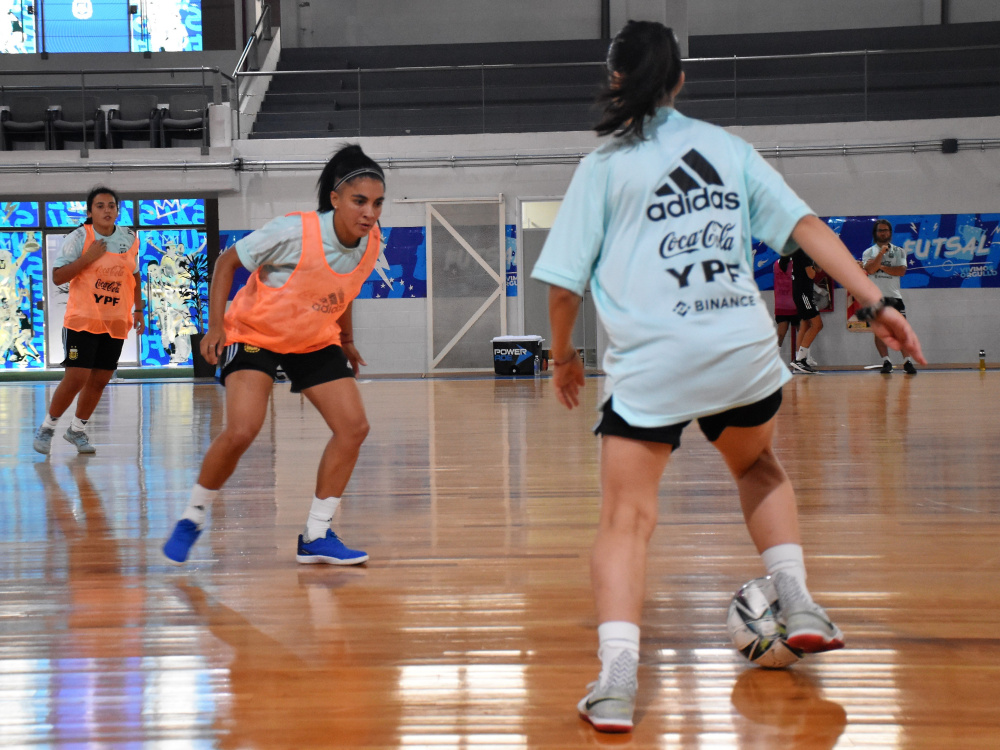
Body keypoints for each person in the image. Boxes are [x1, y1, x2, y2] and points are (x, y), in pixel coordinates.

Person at [530, 21, 925, 734]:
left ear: (616, 80)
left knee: (625, 520)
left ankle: (617, 681)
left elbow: (563, 288)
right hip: (741, 349)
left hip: (655, 361)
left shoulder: (602, 167)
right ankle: (798, 600)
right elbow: (807, 227)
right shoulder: (727, 149)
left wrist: (562, 357)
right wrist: (876, 303)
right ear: (680, 81)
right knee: (757, 466)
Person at [162, 144, 384, 567]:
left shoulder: (371, 240)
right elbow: (226, 263)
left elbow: (345, 287)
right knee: (243, 429)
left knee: (353, 428)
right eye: (360, 201)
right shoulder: (293, 231)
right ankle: (193, 515)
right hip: (255, 333)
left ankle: (316, 535)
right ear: (335, 199)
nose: (369, 212)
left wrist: (346, 338)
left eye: (377, 203)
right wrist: (215, 327)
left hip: (313, 338)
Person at [32, 186, 144, 455]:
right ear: (90, 211)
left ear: (117, 210)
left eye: (111, 206)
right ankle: (47, 427)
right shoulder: (80, 237)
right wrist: (88, 258)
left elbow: (135, 274)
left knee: (101, 379)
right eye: (100, 206)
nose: (107, 210)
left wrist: (139, 309)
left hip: (115, 321)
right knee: (77, 377)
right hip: (82, 320)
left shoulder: (129, 238)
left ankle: (77, 430)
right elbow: (58, 277)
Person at [862, 219, 918, 374]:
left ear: (890, 233)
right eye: (880, 230)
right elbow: (870, 270)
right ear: (875, 233)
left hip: (894, 297)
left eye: (886, 230)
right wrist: (881, 254)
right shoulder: (868, 252)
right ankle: (886, 361)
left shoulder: (899, 251)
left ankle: (907, 362)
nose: (883, 233)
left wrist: (880, 266)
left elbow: (900, 271)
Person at [789, 249, 823, 373]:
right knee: (817, 325)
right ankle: (799, 359)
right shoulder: (803, 252)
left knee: (805, 325)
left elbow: (818, 269)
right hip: (803, 293)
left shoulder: (803, 252)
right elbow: (812, 274)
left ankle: (800, 361)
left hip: (803, 292)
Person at [771, 256, 799, 362]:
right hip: (794, 303)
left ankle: (774, 359)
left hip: (780, 303)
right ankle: (802, 359)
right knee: (802, 331)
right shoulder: (795, 263)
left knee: (780, 334)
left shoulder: (776, 264)